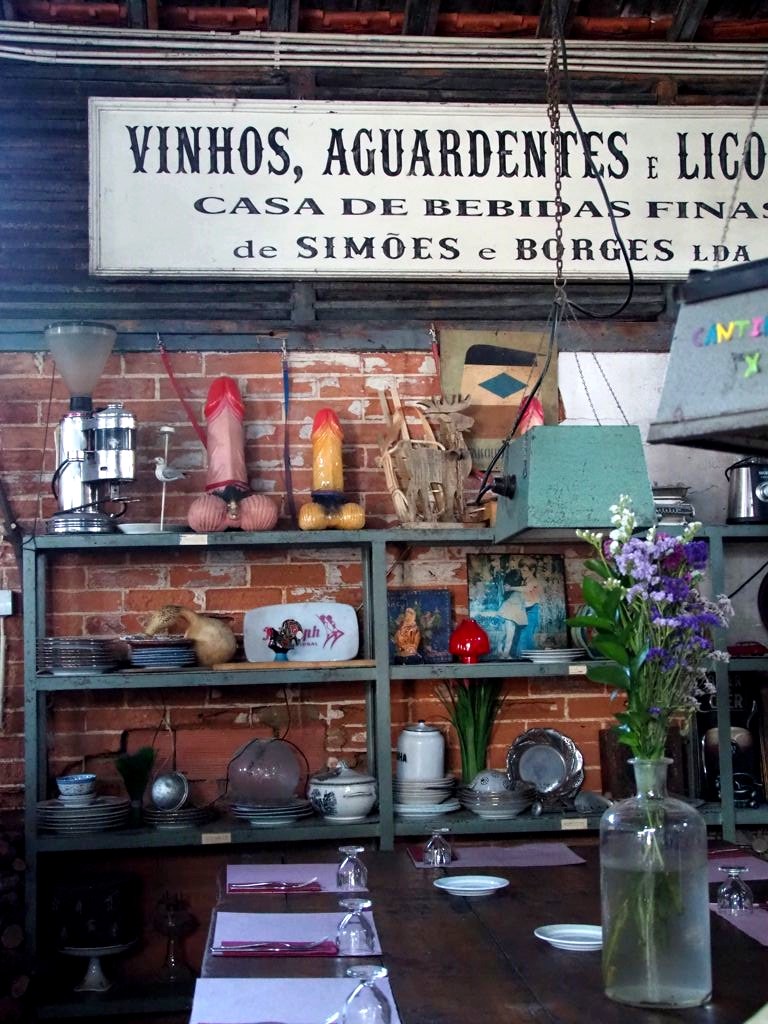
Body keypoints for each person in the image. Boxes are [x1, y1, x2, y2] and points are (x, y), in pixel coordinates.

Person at [499, 560, 543, 656]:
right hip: (524, 609)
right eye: (521, 570)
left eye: (524, 570)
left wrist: (511, 588)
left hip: (532, 610)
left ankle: (527, 656)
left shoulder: (533, 581)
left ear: (532, 570)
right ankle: (518, 656)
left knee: (526, 635)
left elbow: (527, 589)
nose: (522, 573)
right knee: (519, 635)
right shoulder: (524, 581)